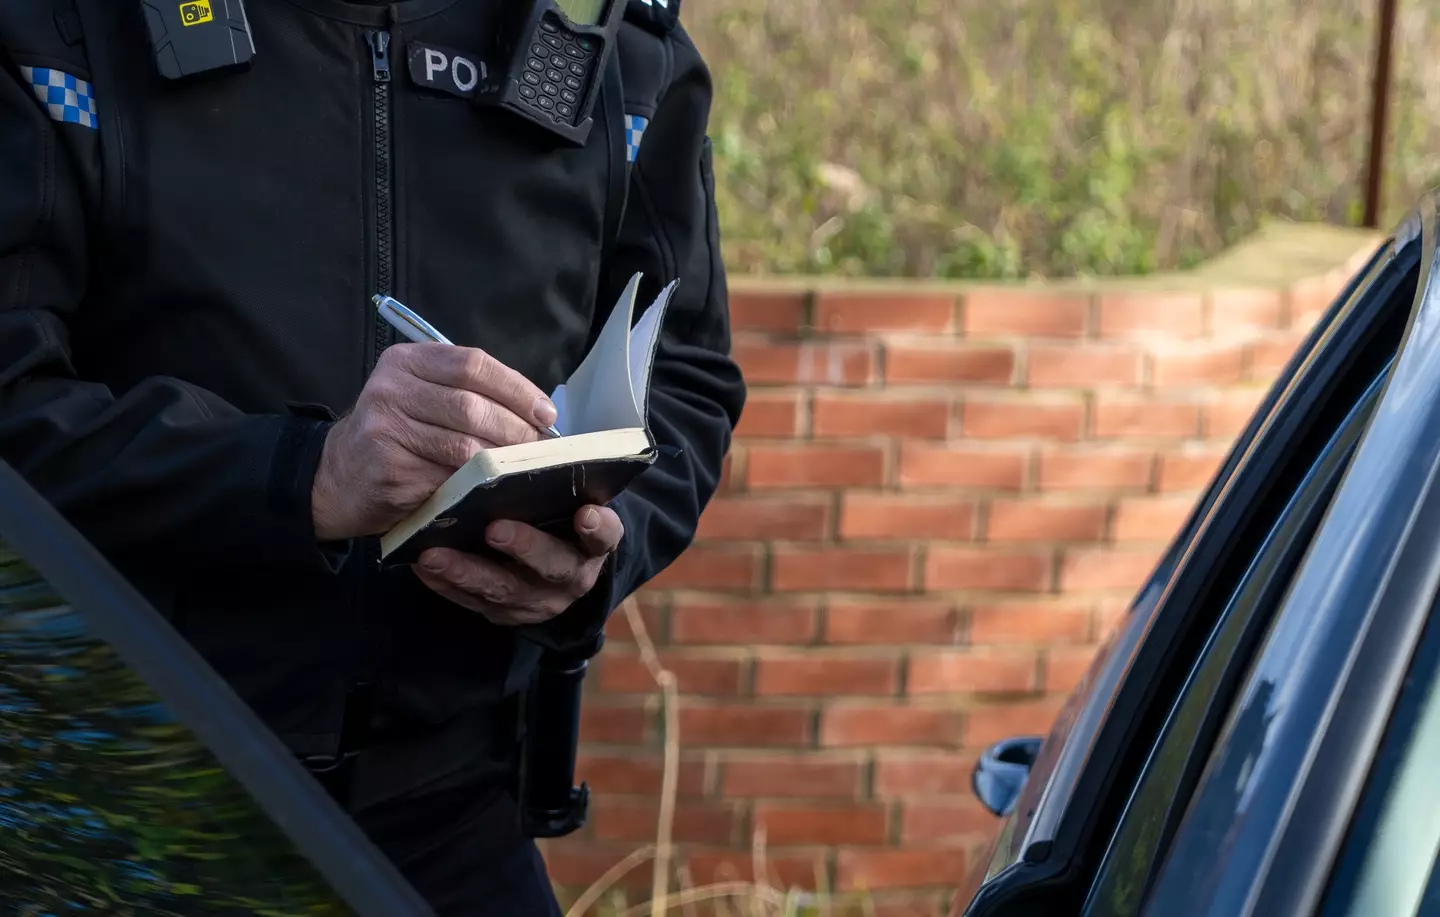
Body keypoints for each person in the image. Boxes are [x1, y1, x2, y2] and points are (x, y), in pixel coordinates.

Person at [0, 0, 744, 912]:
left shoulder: (614, 44)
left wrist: (599, 542)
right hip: (120, 815)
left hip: (456, 818)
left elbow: (686, 378)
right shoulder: (58, 27)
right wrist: (299, 473)